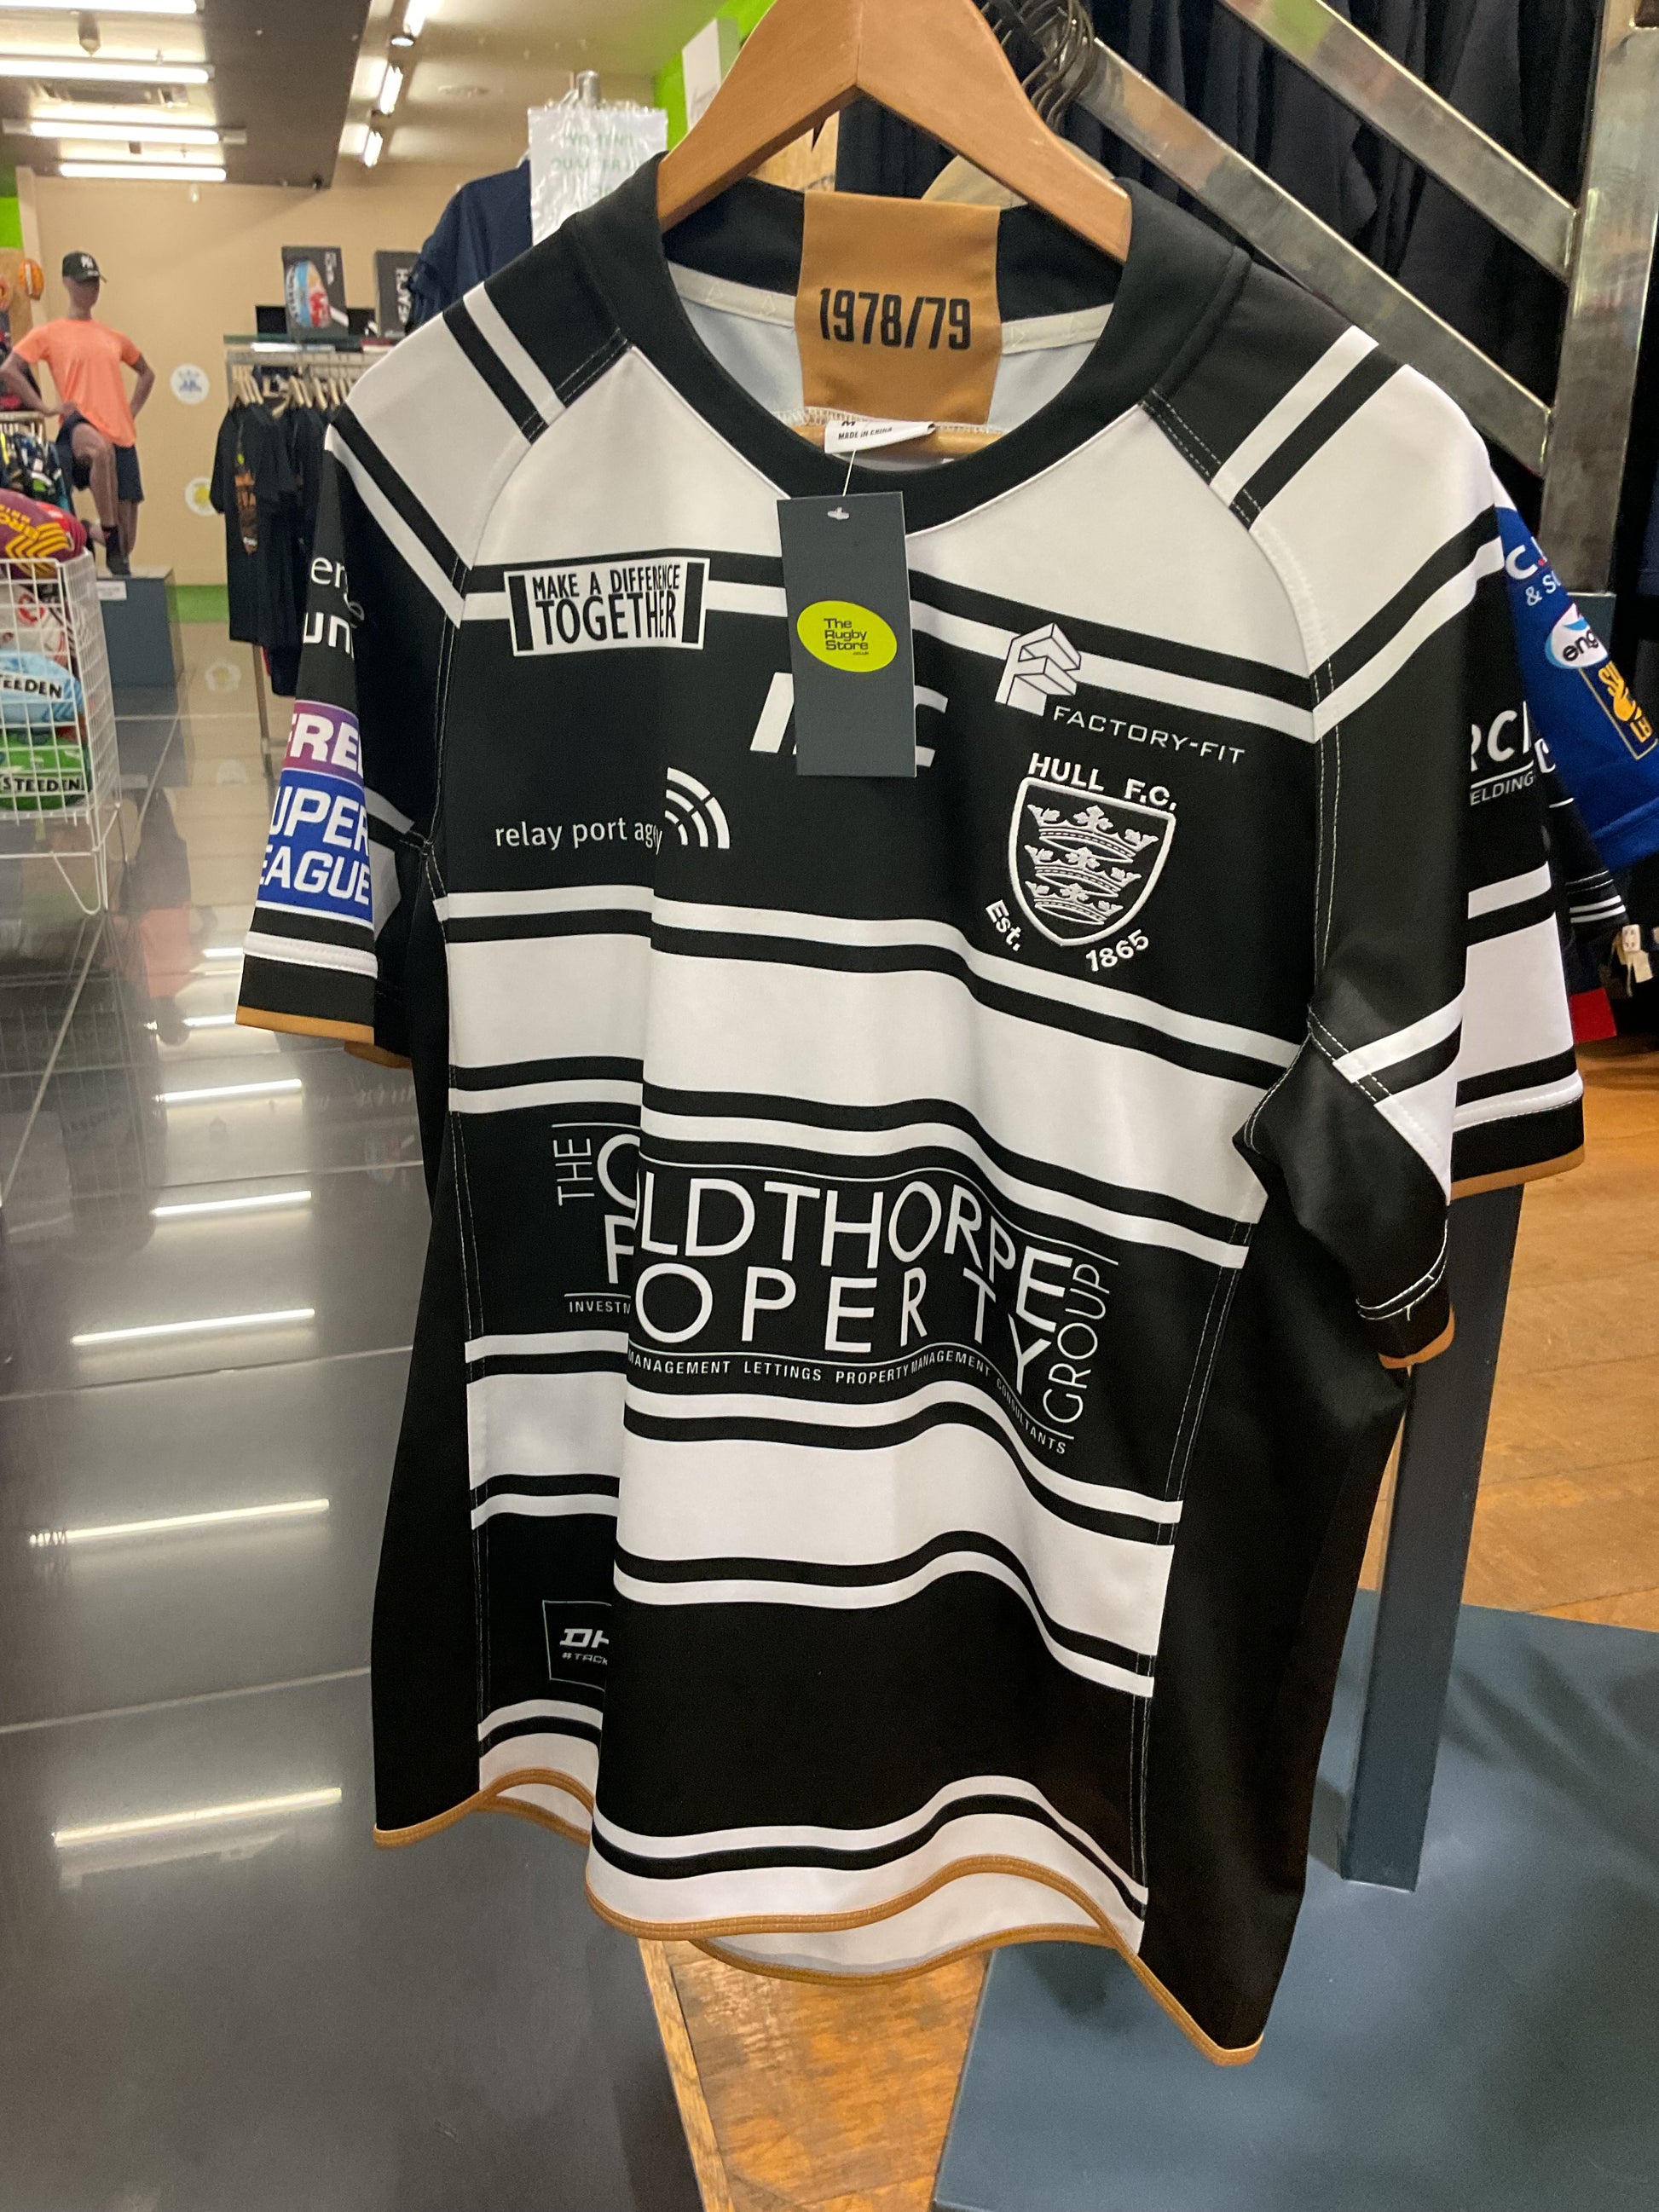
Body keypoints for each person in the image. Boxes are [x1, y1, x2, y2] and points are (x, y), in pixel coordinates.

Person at [0, 251, 153, 576]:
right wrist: (45, 407)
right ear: (68, 283)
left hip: (121, 431)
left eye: (95, 283)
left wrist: (130, 412)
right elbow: (10, 369)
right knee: (100, 451)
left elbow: (147, 374)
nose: (91, 289)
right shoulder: (50, 332)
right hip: (79, 423)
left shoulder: (113, 337)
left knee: (128, 542)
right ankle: (109, 532)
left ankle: (89, 530)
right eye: (84, 283)